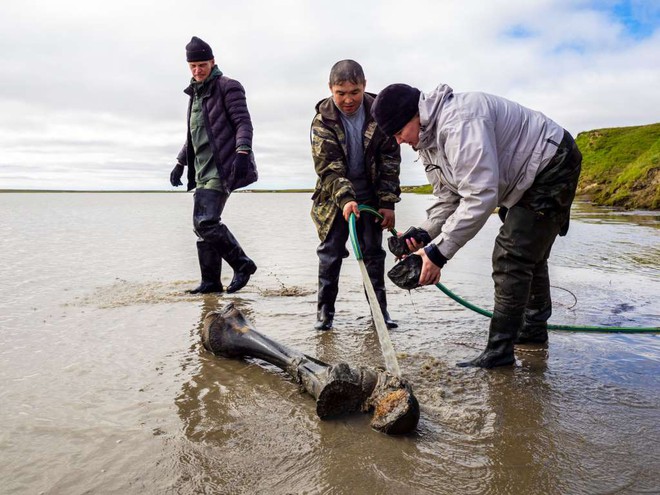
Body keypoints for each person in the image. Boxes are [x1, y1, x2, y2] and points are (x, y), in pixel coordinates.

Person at [371, 83, 582, 368]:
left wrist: (437, 254)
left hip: (552, 162)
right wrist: (424, 233)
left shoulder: (460, 123)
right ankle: (531, 331)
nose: (398, 142)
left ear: (414, 115)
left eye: (398, 133)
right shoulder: (426, 141)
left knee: (512, 254)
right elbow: (449, 197)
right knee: (528, 251)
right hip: (524, 176)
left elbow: (480, 196)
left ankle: (499, 353)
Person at [310, 60, 402, 331]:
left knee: (373, 255)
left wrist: (387, 203)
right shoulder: (322, 120)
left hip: (371, 198)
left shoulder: (380, 114)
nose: (348, 99)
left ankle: (379, 314)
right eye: (341, 93)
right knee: (331, 254)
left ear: (364, 86)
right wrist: (346, 199)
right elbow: (328, 168)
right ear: (330, 89)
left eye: (354, 92)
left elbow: (390, 162)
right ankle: (324, 316)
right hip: (334, 199)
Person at [170, 36, 258, 294]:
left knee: (206, 222)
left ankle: (243, 264)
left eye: (202, 65)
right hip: (200, 170)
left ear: (212, 62)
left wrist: (243, 151)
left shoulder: (228, 87)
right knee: (202, 228)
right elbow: (195, 134)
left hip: (223, 167)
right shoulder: (195, 94)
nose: (197, 70)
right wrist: (180, 162)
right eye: (193, 66)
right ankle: (210, 283)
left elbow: (244, 122)